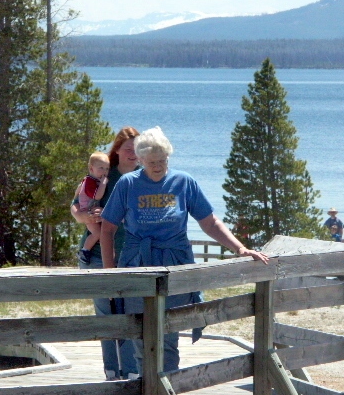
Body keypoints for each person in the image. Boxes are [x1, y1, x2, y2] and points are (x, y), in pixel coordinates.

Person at [100, 126, 269, 374]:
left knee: (169, 336)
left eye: (162, 160)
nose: (158, 166)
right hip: (137, 266)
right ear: (141, 160)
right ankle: (145, 389)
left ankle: (167, 388)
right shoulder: (128, 184)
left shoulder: (184, 182)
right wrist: (109, 273)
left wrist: (240, 248)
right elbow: (107, 229)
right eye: (152, 162)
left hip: (175, 266)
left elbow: (210, 223)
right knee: (141, 337)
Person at [70, 126, 140, 380]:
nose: (133, 153)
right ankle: (112, 371)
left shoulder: (145, 176)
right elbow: (76, 204)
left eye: (137, 149)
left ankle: (131, 371)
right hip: (98, 254)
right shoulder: (104, 174)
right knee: (106, 314)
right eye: (127, 148)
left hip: (131, 257)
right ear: (117, 150)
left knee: (131, 314)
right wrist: (84, 216)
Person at [74, 151, 110, 264]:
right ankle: (84, 251)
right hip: (88, 213)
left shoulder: (92, 180)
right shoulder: (89, 182)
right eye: (101, 168)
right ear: (91, 168)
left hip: (91, 210)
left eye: (107, 169)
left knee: (100, 232)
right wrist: (103, 184)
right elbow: (98, 196)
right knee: (97, 233)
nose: (104, 172)